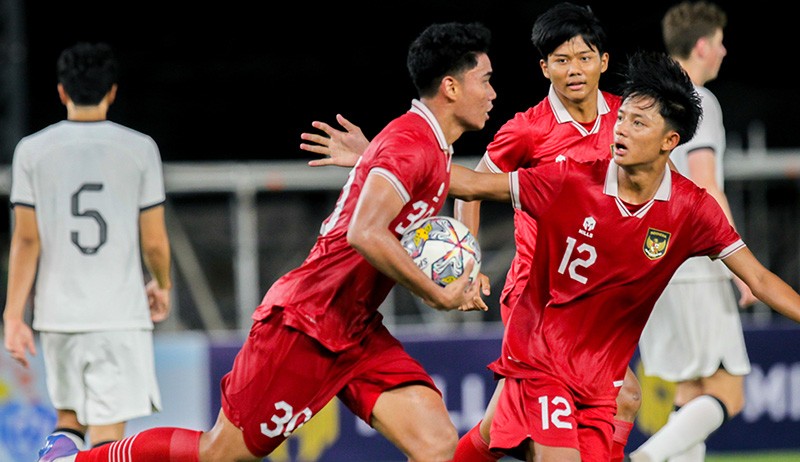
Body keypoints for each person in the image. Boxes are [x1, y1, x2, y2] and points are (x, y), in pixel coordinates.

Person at [37, 21, 494, 462]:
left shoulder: (424, 148)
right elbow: (365, 232)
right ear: (451, 88)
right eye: (486, 80)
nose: (493, 93)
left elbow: (470, 186)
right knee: (220, 452)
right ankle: (73, 461)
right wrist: (436, 292)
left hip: (355, 328)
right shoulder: (409, 144)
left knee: (435, 444)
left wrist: (369, 157)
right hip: (307, 322)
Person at [299, 4, 642, 460]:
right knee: (612, 400)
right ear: (544, 68)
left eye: (583, 57)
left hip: (592, 295)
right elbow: (472, 187)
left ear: (604, 60)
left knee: (517, 425)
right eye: (561, 60)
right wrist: (470, 260)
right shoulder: (527, 130)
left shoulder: (625, 121)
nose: (574, 70)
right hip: (537, 297)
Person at [445, 49, 800, 462]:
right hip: (540, 354)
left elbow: (759, 278)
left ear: (670, 141)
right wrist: (383, 162)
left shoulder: (691, 209)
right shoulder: (574, 180)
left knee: (492, 436)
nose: (621, 130)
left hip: (600, 378)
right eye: (622, 118)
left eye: (638, 122)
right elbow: (471, 183)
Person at [2, 42, 173, 453]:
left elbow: (26, 240)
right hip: (118, 314)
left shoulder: (32, 150)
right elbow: (153, 240)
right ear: (112, 91)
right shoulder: (140, 148)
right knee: (108, 438)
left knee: (68, 422)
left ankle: (57, 456)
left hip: (58, 315)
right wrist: (162, 284)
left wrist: (13, 315)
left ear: (61, 91)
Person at [630, 3, 756, 461]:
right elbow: (705, 185)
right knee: (729, 392)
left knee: (689, 388)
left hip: (652, 260)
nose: (723, 50)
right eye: (720, 41)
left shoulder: (643, 102)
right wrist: (739, 265)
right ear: (702, 45)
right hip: (698, 264)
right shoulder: (698, 99)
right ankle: (646, 457)